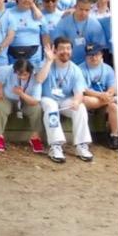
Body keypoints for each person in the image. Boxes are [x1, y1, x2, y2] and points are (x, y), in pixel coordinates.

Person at [41, 35, 94, 163]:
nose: (65, 51)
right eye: (62, 48)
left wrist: (76, 101)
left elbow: (79, 91)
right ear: (55, 51)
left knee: (80, 107)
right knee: (51, 106)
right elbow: (39, 79)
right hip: (47, 98)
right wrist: (48, 61)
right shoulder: (47, 63)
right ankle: (55, 145)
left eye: (68, 48)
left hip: (65, 100)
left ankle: (81, 145)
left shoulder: (75, 70)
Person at [0, 52, 51, 153]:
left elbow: (35, 101)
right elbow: (0, 80)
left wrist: (21, 94)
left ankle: (35, 137)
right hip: (8, 98)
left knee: (37, 109)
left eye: (25, 75)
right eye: (19, 74)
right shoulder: (9, 69)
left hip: (26, 100)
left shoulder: (36, 77)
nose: (21, 77)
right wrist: (0, 93)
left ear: (30, 72)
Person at [80, 43, 118, 150]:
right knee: (85, 99)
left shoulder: (108, 68)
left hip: (103, 99)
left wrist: (108, 94)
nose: (93, 57)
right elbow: (84, 90)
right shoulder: (80, 69)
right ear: (86, 56)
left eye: (96, 54)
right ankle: (111, 100)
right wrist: (102, 95)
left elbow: (112, 86)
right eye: (90, 55)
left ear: (101, 54)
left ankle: (114, 136)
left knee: (114, 107)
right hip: (90, 100)